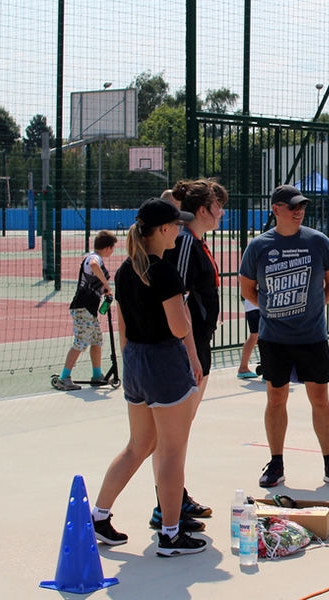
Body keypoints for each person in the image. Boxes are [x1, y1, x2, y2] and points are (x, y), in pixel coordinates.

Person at [90, 197, 207, 557]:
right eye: (176, 224)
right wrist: (186, 325)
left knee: (137, 446)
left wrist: (131, 364)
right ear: (162, 230)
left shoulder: (125, 271)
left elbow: (124, 327)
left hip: (136, 361)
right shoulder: (164, 272)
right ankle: (170, 534)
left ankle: (98, 514)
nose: (181, 228)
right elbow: (177, 326)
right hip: (163, 363)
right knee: (172, 452)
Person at [239, 185, 329, 489]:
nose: (299, 211)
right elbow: (247, 288)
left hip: (312, 336)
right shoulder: (259, 246)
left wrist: (309, 310)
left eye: (302, 206)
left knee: (321, 400)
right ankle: (276, 463)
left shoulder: (318, 242)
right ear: (275, 209)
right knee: (276, 399)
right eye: (292, 206)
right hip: (274, 338)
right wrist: (273, 310)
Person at [149, 179, 227, 532]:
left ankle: (175, 497)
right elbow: (174, 298)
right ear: (202, 211)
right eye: (217, 207)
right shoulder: (183, 243)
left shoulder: (196, 242)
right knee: (171, 438)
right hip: (185, 350)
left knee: (180, 434)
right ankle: (166, 508)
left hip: (200, 345)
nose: (222, 212)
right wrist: (187, 352)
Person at [51, 230, 118, 391]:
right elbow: (94, 265)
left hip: (90, 309)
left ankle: (97, 375)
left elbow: (93, 283)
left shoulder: (96, 260)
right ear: (108, 248)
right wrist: (106, 285)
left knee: (96, 340)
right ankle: (64, 377)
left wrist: (104, 291)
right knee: (81, 341)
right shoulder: (94, 258)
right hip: (82, 307)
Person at [237, 298, 261, 379]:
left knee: (254, 336)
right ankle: (267, 371)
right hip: (258, 305)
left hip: (253, 305)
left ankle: (243, 367)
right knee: (260, 336)